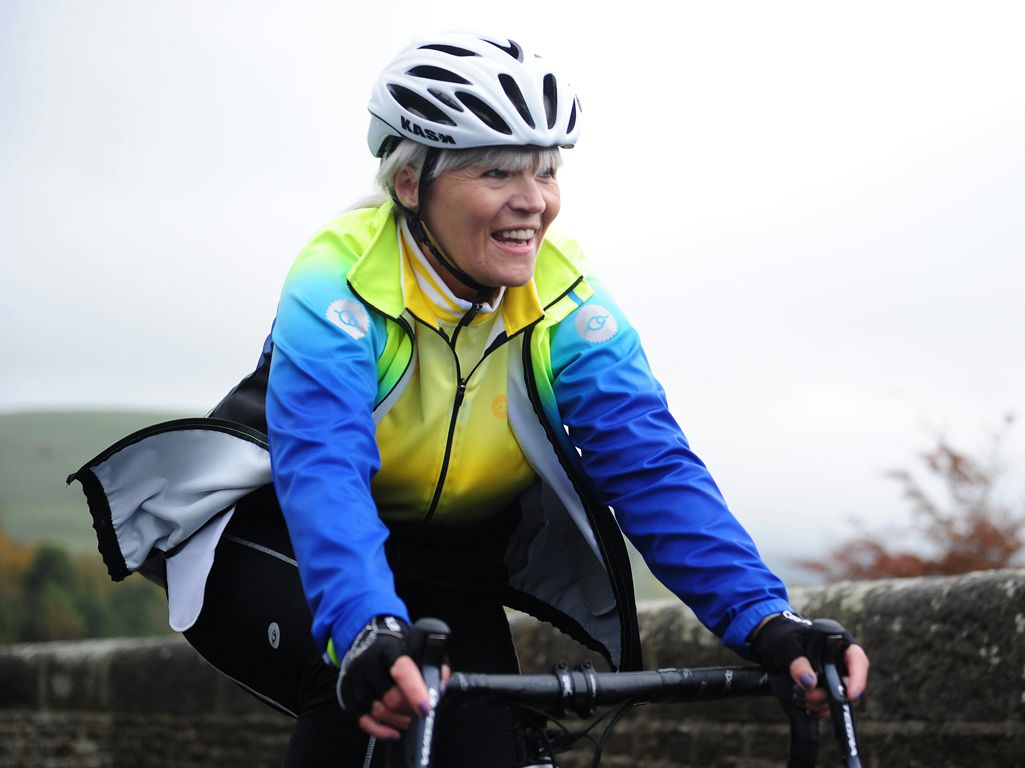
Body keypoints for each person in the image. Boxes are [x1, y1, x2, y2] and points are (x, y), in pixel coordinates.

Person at [70, 30, 868, 767]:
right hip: (278, 535)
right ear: (411, 182)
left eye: (546, 169)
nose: (534, 201)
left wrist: (765, 621)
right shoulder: (338, 280)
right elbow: (325, 465)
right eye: (496, 170)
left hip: (442, 562)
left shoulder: (565, 300)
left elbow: (649, 465)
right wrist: (364, 629)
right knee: (369, 698)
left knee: (486, 747)